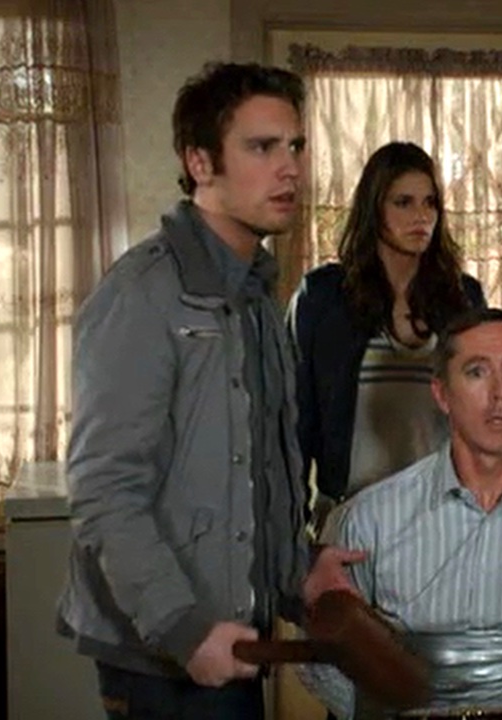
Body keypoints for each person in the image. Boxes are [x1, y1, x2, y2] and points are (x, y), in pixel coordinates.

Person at [57, 62, 360, 720]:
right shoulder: (143, 294)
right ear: (200, 162)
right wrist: (183, 627)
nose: (290, 169)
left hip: (234, 638)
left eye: (295, 146)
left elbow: (253, 476)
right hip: (165, 654)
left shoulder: (256, 295)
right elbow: (105, 489)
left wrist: (298, 569)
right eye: (262, 147)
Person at [300, 308, 502, 720]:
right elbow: (321, 654)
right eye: (477, 372)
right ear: (441, 394)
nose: (500, 393)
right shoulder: (369, 519)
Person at [289, 141, 486, 528]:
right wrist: (293, 530)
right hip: (351, 512)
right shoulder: (325, 298)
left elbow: (479, 413)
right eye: (403, 203)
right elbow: (296, 423)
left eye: (430, 203)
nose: (421, 216)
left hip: (441, 515)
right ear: (374, 208)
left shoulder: (462, 298)